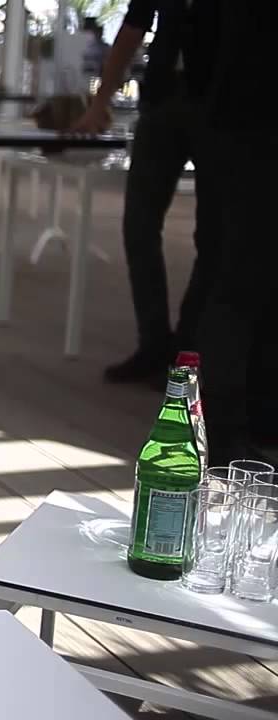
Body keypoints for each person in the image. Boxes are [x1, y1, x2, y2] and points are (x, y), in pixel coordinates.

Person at [73, 0, 220, 385]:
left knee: (213, 235)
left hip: (220, 109)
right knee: (139, 224)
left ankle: (187, 352)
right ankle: (154, 344)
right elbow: (133, 27)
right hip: (161, 101)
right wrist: (100, 102)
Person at [198, 0, 277, 463]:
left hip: (240, 123)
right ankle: (225, 431)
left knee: (249, 281)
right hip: (251, 128)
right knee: (239, 282)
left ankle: (251, 417)